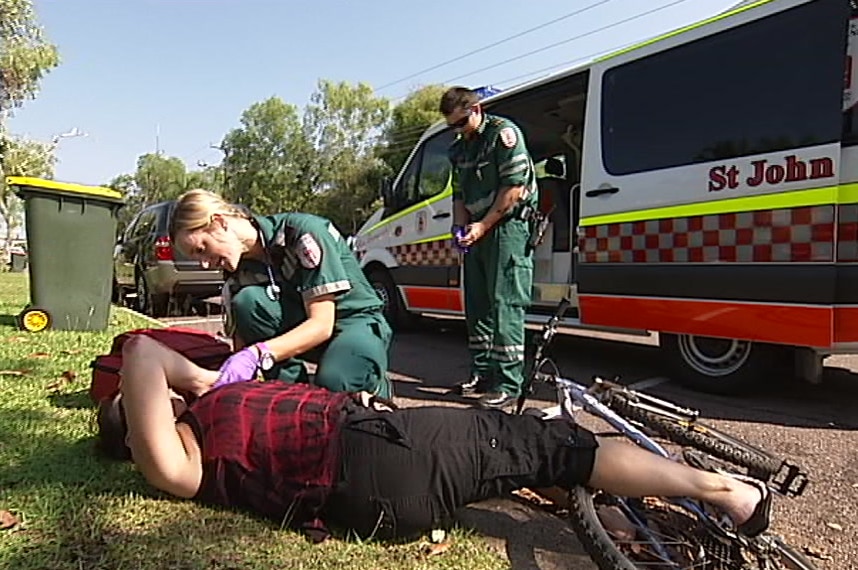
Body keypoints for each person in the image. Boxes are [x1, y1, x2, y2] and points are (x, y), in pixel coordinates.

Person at [95, 335, 773, 544]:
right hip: (378, 457)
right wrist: (190, 381)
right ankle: (727, 492)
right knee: (559, 443)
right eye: (142, 405)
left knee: (523, 460)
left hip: (374, 480)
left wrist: (204, 386)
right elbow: (146, 351)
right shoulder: (172, 462)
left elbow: (162, 371)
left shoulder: (205, 422)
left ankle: (615, 509)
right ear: (138, 429)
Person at [169, 189, 392, 398]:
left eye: (201, 249)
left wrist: (258, 354)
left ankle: (375, 386)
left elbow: (322, 325)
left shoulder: (303, 234)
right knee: (247, 301)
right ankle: (295, 400)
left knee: (335, 382)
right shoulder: (238, 270)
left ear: (219, 222)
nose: (205, 264)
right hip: (302, 329)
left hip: (353, 323)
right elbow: (242, 342)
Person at [441, 86, 539, 409]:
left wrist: (483, 226)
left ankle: (509, 384)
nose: (456, 131)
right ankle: (482, 373)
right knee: (477, 303)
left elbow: (513, 189)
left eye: (460, 123)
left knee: (505, 303)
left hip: (507, 227)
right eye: (451, 126)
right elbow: (459, 195)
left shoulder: (503, 135)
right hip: (478, 231)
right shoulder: (460, 149)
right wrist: (460, 229)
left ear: (476, 110)